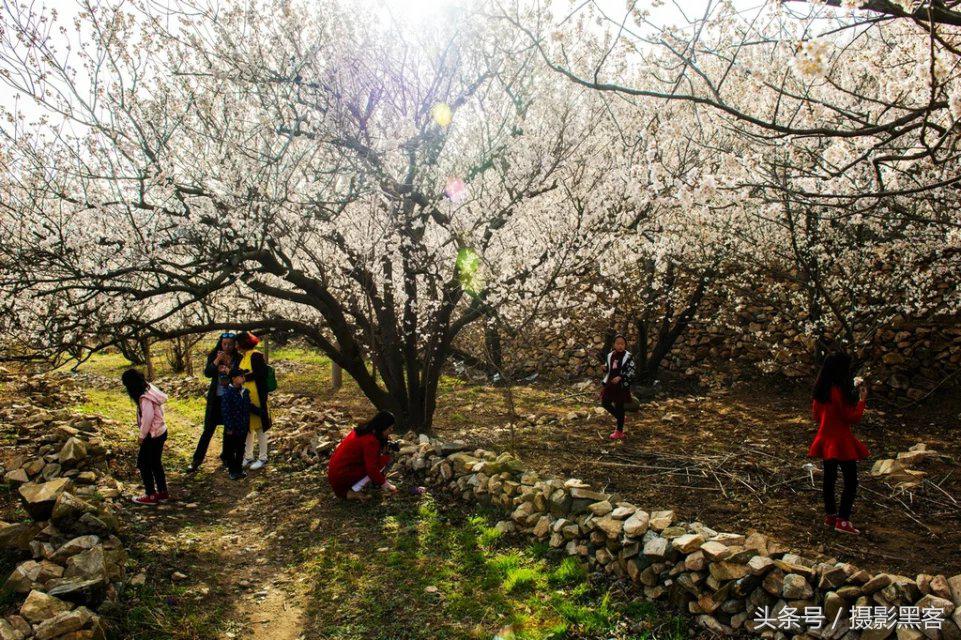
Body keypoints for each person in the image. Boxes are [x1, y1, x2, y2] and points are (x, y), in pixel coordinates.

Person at [808, 352, 869, 535]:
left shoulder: (821, 391)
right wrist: (861, 401)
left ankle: (831, 515)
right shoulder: (837, 391)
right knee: (851, 481)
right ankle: (843, 520)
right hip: (841, 440)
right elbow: (851, 417)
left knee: (829, 479)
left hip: (825, 438)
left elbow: (816, 416)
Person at [187, 332, 241, 473]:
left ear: (234, 344)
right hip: (216, 398)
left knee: (229, 430)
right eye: (224, 344)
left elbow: (239, 377)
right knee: (208, 430)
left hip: (230, 399)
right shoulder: (214, 355)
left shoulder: (239, 358)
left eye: (230, 344)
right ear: (220, 343)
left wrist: (229, 369)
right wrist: (217, 360)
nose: (227, 346)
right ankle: (196, 460)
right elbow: (208, 373)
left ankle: (227, 457)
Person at [121, 369, 170, 505]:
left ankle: (151, 495)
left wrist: (141, 436)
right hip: (161, 431)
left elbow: (147, 418)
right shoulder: (150, 388)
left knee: (143, 464)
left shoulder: (144, 397)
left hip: (152, 434)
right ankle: (162, 492)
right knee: (155, 463)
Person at [327, 411, 399, 500]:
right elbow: (371, 468)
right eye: (389, 429)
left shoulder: (362, 430)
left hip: (336, 473)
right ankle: (357, 489)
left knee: (378, 460)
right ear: (382, 427)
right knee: (385, 459)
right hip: (342, 475)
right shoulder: (371, 440)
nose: (390, 432)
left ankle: (351, 491)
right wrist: (384, 483)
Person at [237, 331, 271, 470]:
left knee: (260, 428)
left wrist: (245, 378)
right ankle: (248, 456)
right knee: (248, 427)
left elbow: (261, 373)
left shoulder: (256, 355)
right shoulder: (243, 356)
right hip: (246, 396)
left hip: (258, 396)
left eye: (237, 344)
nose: (236, 346)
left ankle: (263, 458)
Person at [600, 334, 636, 440]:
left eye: (622, 344)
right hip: (610, 384)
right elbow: (609, 368)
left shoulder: (628, 356)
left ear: (625, 345)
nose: (620, 346)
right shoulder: (610, 355)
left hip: (621, 386)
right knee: (605, 402)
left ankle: (619, 432)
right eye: (618, 343)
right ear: (614, 345)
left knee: (619, 406)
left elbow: (632, 371)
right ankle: (620, 418)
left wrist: (620, 377)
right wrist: (604, 368)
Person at [221, 367, 253, 480]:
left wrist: (260, 412)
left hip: (243, 426)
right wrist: (229, 427)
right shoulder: (227, 393)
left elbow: (248, 406)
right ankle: (232, 470)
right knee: (231, 449)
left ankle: (239, 469)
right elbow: (226, 412)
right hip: (232, 427)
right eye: (241, 376)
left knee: (241, 448)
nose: (243, 378)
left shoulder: (245, 392)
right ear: (234, 379)